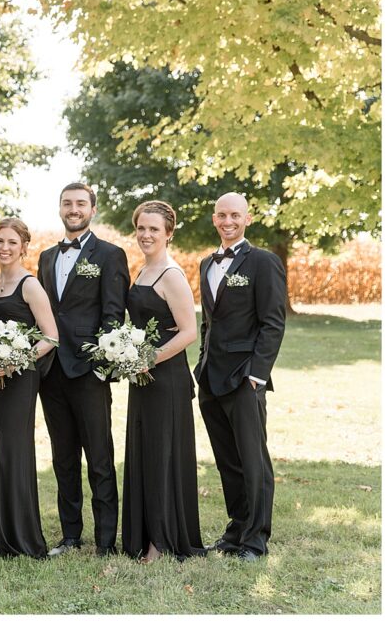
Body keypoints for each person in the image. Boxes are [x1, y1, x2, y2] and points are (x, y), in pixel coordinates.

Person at [36, 182, 129, 558]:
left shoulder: (110, 255)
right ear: (60, 208)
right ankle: (70, 534)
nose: (73, 209)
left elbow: (113, 314)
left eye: (80, 204)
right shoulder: (45, 257)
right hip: (51, 371)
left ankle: (106, 540)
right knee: (63, 457)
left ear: (92, 209)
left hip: (89, 370)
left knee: (100, 458)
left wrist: (100, 365)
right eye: (67, 203)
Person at [194, 192, 286, 562]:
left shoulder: (263, 262)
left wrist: (257, 376)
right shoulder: (205, 263)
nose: (227, 221)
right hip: (211, 378)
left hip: (244, 378)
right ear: (214, 219)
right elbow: (208, 323)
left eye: (234, 215)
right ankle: (236, 530)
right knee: (227, 460)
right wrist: (201, 364)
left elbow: (273, 322)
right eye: (221, 215)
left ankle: (255, 539)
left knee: (253, 461)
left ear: (247, 218)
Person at [121, 201, 206, 563]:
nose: (146, 234)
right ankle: (142, 534)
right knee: (144, 451)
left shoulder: (171, 274)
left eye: (154, 229)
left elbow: (189, 332)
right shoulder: (142, 271)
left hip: (165, 376)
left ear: (169, 233)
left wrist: (149, 358)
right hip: (142, 377)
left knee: (162, 454)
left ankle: (162, 541)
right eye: (141, 228)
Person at [0, 218, 58, 559]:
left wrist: (16, 360)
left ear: (24, 247)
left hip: (20, 378)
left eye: (12, 242)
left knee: (11, 451)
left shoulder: (29, 285)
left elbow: (51, 336)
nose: (4, 248)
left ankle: (21, 537)